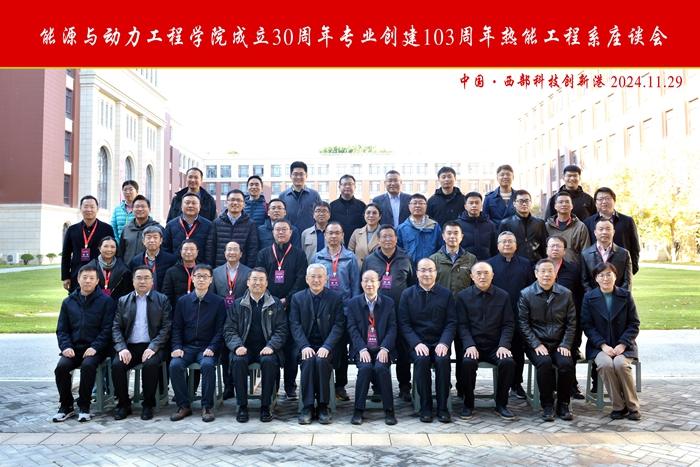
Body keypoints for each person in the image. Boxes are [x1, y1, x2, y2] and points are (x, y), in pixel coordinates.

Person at [224, 268, 288, 423]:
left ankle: (265, 405)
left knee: (269, 361)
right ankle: (242, 405)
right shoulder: (238, 304)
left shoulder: (275, 304)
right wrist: (237, 346)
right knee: (238, 361)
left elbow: (282, 330)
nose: (257, 283)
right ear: (248, 282)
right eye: (254, 279)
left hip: (267, 348)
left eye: (261, 280)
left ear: (266, 283)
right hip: (244, 348)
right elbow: (229, 329)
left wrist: (271, 346)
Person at [53, 265, 115, 422]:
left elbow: (107, 330)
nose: (88, 281)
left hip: (96, 349)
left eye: (92, 278)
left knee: (88, 366)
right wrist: (66, 346)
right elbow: (62, 329)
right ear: (78, 279)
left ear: (97, 281)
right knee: (61, 367)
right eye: (85, 277)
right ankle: (66, 405)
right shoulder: (68, 302)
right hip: (74, 349)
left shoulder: (106, 301)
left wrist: (95, 347)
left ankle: (84, 405)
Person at [398, 258, 457, 423]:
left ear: (436, 273)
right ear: (417, 273)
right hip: (417, 343)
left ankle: (443, 407)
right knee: (422, 360)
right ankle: (425, 406)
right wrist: (416, 343)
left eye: (430, 270)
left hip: (439, 342)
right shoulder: (407, 294)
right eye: (423, 270)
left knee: (442, 360)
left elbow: (451, 322)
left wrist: (444, 343)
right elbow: (404, 323)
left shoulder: (446, 294)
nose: (427, 274)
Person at [256, 219, 309, 400]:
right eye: (277, 229)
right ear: (272, 232)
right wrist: (272, 300)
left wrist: (287, 299)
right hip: (269, 307)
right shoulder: (263, 254)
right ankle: (273, 385)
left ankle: (290, 386)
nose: (281, 232)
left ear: (291, 232)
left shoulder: (299, 255)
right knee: (272, 344)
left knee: (291, 348)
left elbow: (301, 280)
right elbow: (260, 279)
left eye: (284, 229)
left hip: (292, 306)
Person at [361, 224, 415, 401]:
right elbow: (363, 286)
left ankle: (404, 386)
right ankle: (377, 387)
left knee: (403, 350)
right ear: (378, 240)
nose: (387, 239)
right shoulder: (370, 260)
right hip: (377, 314)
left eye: (391, 236)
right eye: (383, 236)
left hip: (401, 313)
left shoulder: (406, 258)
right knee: (377, 348)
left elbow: (412, 285)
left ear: (396, 238)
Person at [518, 259, 577, 422]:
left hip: (559, 343)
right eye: (542, 271)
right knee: (544, 363)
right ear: (536, 274)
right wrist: (536, 344)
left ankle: (563, 404)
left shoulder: (565, 294)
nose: (546, 274)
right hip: (536, 343)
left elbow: (571, 322)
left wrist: (566, 344)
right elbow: (522, 323)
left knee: (566, 364)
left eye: (550, 271)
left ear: (555, 273)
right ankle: (547, 405)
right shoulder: (526, 294)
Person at [581, 262, 641, 421]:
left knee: (621, 364)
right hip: (599, 346)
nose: (605, 278)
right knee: (606, 364)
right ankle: (618, 406)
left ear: (615, 276)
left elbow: (634, 324)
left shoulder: (626, 296)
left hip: (624, 345)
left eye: (609, 274)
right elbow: (587, 326)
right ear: (596, 278)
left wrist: (623, 344)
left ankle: (633, 407)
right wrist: (603, 345)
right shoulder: (589, 298)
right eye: (601, 275)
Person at [456, 262, 516, 421]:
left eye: (486, 273)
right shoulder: (463, 296)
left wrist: (504, 345)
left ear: (492, 275)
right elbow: (462, 325)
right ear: (472, 276)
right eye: (478, 273)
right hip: (473, 345)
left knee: (508, 362)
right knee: (467, 363)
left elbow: (508, 324)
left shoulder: (503, 296)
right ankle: (468, 404)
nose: (482, 276)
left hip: (495, 346)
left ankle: (501, 404)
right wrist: (469, 345)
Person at [111, 265, 172, 421]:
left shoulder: (162, 300)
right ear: (133, 281)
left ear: (152, 281)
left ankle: (148, 405)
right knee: (117, 365)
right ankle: (124, 404)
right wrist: (121, 348)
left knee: (150, 365)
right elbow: (116, 327)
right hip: (130, 347)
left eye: (146, 278)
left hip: (153, 346)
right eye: (139, 278)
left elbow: (166, 327)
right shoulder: (123, 301)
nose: (142, 281)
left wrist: (153, 347)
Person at [289, 264, 346, 425]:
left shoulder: (335, 297)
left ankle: (322, 406)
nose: (316, 280)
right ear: (306, 279)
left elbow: (339, 325)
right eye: (312, 276)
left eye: (320, 276)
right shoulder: (297, 298)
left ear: (326, 279)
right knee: (308, 360)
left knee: (321, 361)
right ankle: (307, 407)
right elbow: (295, 324)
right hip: (305, 345)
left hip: (328, 346)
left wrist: (327, 346)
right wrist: (304, 346)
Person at [169, 264, 226, 423]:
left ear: (211, 280)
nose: (201, 279)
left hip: (207, 347)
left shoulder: (217, 302)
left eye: (205, 276)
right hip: (186, 347)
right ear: (192, 279)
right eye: (198, 276)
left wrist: (212, 347)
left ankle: (206, 406)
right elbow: (176, 327)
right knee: (174, 365)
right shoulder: (183, 301)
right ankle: (183, 405)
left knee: (207, 365)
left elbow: (220, 329)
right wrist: (177, 347)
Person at [312, 221, 361, 401]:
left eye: (337, 233)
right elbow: (312, 283)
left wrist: (354, 309)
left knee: (341, 349)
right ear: (325, 235)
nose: (333, 236)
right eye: (330, 233)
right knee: (324, 347)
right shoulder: (318, 257)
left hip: (345, 309)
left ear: (342, 235)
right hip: (323, 311)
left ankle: (340, 385)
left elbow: (355, 285)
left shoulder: (350, 257)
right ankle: (320, 383)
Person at [430, 220, 477, 397]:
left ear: (461, 236)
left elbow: (475, 287)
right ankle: (444, 387)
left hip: (465, 314)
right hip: (441, 316)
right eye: (449, 233)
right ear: (443, 236)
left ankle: (463, 388)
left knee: (464, 352)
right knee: (444, 352)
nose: (452, 236)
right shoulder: (434, 259)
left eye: (456, 233)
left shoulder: (470, 259)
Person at [486, 231, 535, 400]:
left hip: (519, 314)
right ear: (497, 245)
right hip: (494, 317)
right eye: (503, 241)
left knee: (517, 350)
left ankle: (516, 384)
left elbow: (530, 290)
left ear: (516, 245)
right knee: (498, 350)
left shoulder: (525, 264)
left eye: (510, 241)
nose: (507, 244)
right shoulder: (489, 264)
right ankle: (500, 386)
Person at [347, 270, 398, 425]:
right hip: (362, 349)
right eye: (366, 281)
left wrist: (385, 348)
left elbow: (392, 328)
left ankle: (389, 410)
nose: (369, 284)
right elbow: (352, 329)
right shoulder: (353, 303)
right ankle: (358, 410)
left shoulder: (388, 303)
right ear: (361, 283)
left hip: (382, 348)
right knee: (365, 368)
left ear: (379, 283)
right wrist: (362, 349)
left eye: (372, 280)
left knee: (382, 368)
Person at [211, 241, 253, 399]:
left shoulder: (249, 272)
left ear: (241, 253)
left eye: (235, 249)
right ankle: (228, 386)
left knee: (239, 350)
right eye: (229, 249)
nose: (232, 252)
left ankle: (240, 383)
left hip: (241, 318)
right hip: (222, 317)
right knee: (224, 351)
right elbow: (213, 296)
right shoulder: (216, 272)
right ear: (224, 253)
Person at [61, 195, 115, 293]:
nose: (89, 210)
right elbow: (66, 254)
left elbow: (112, 252)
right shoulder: (72, 230)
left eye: (92, 207)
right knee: (77, 300)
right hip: (77, 274)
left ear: (97, 209)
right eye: (85, 206)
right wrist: (65, 276)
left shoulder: (107, 229)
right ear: (80, 208)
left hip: (100, 274)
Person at [583, 187, 641, 275]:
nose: (604, 202)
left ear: (614, 201)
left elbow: (634, 246)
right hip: (595, 271)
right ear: (595, 203)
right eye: (600, 199)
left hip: (621, 269)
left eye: (607, 198)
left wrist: (632, 268)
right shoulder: (588, 222)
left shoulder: (627, 221)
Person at [205, 189, 258, 268]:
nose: (235, 203)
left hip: (242, 270)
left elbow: (252, 250)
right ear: (226, 202)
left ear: (244, 204)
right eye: (232, 200)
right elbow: (210, 248)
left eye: (239, 200)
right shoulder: (216, 223)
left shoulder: (250, 224)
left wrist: (248, 271)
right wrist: (211, 269)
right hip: (219, 269)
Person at [580, 218, 633, 293]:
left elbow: (627, 280)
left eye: (608, 229)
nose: (604, 232)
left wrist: (620, 297)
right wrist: (593, 296)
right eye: (601, 229)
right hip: (594, 297)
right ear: (595, 232)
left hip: (618, 297)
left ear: (613, 232)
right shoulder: (585, 254)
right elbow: (584, 281)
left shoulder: (624, 254)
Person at [498, 189, 547, 265]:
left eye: (527, 201)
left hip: (536, 264)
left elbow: (544, 246)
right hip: (515, 265)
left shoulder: (539, 223)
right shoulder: (506, 223)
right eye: (520, 201)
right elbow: (501, 247)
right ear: (514, 203)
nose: (524, 204)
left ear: (530, 203)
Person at [396, 193, 444, 269]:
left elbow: (441, 248)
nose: (417, 206)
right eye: (414, 203)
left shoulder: (434, 226)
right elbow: (398, 251)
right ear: (409, 206)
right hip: (409, 269)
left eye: (421, 203)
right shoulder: (401, 228)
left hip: (429, 269)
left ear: (426, 207)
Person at [163, 192, 212, 264]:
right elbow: (165, 248)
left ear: (199, 207)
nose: (190, 206)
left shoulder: (209, 226)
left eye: (194, 203)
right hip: (176, 267)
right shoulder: (171, 225)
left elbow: (210, 250)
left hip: (200, 268)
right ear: (181, 206)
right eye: (187, 203)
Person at [544, 191, 591, 266]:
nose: (564, 204)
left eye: (567, 202)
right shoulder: (547, 226)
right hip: (551, 269)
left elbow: (585, 252)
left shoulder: (580, 227)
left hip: (574, 269)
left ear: (572, 206)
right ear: (555, 206)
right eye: (560, 202)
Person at [128, 226, 176, 294]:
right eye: (149, 237)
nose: (152, 240)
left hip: (162, 297)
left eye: (155, 237)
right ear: (143, 241)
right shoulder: (135, 261)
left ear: (161, 240)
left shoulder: (171, 260)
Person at [278, 161, 322, 233]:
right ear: (290, 176)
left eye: (301, 174)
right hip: (289, 235)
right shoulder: (283, 196)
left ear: (306, 176)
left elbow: (320, 215)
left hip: (310, 235)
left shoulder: (314, 195)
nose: (298, 177)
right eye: (295, 174)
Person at [86, 236, 133, 303]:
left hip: (116, 305)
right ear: (100, 248)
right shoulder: (90, 267)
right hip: (94, 303)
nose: (109, 249)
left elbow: (125, 290)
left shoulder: (124, 269)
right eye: (105, 246)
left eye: (112, 247)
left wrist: (113, 303)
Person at [118, 195, 163, 262]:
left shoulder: (158, 228)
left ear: (149, 209)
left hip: (150, 267)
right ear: (132, 210)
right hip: (128, 267)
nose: (140, 209)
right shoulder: (126, 228)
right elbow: (121, 252)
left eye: (143, 206)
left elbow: (163, 251)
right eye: (137, 206)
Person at [455, 192, 498, 261]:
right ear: (465, 206)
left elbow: (495, 248)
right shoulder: (457, 225)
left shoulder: (490, 224)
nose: (474, 205)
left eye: (477, 203)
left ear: (482, 205)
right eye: (471, 203)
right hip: (464, 264)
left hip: (485, 264)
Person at [162, 240, 200, 310]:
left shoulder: (202, 271)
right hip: (178, 310)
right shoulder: (171, 271)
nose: (188, 252)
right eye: (185, 249)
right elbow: (166, 296)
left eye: (192, 249)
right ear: (181, 252)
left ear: (197, 252)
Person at [330, 174, 366, 246]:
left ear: (354, 187)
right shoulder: (332, 206)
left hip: (357, 243)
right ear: (339, 187)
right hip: (337, 243)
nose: (347, 187)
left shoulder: (362, 206)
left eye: (350, 184)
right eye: (344, 184)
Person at [348, 203, 382, 268]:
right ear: (364, 215)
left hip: (377, 270)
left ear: (380, 216)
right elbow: (349, 254)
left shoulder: (384, 233)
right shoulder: (356, 233)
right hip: (359, 270)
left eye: (374, 213)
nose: (371, 215)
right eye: (368, 213)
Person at [111, 180, 139, 245]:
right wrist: (117, 243)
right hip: (119, 245)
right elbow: (113, 227)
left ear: (137, 191)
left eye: (130, 189)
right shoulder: (117, 209)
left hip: (135, 245)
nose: (127, 192)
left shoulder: (141, 209)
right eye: (125, 190)